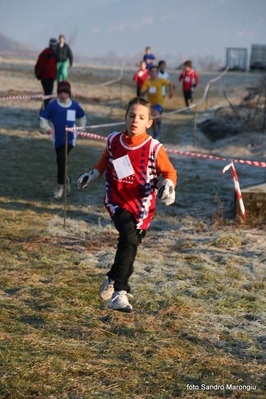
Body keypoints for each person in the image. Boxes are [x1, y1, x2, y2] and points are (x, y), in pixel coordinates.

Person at [77, 97, 177, 313]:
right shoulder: (113, 140)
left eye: (141, 117)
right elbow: (105, 161)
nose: (135, 120)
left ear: (149, 123)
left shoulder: (153, 147)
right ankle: (119, 293)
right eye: (132, 115)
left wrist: (169, 186)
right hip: (117, 200)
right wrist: (91, 175)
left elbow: (169, 171)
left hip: (142, 206)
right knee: (129, 239)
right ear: (125, 117)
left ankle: (114, 277)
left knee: (130, 244)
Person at [40, 80, 86, 199]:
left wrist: (81, 130)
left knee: (62, 158)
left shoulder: (74, 105)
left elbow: (82, 117)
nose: (63, 95)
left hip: (70, 139)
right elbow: (43, 118)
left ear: (69, 93)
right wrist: (46, 128)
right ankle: (66, 179)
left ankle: (60, 185)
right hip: (57, 138)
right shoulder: (53, 106)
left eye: (65, 92)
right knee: (61, 161)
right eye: (61, 92)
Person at [141, 65, 174, 139]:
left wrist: (172, 92)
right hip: (150, 104)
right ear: (149, 73)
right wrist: (146, 90)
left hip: (159, 103)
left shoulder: (160, 80)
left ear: (157, 73)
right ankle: (156, 134)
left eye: (155, 71)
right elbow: (141, 94)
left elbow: (170, 84)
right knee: (152, 120)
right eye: (152, 72)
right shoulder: (147, 82)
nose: (153, 73)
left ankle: (160, 123)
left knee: (155, 114)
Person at [35, 38, 58, 110]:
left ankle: (44, 110)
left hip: (43, 77)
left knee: (46, 95)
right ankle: (45, 112)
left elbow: (38, 64)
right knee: (48, 96)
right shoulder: (54, 55)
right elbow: (52, 67)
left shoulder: (44, 52)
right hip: (49, 77)